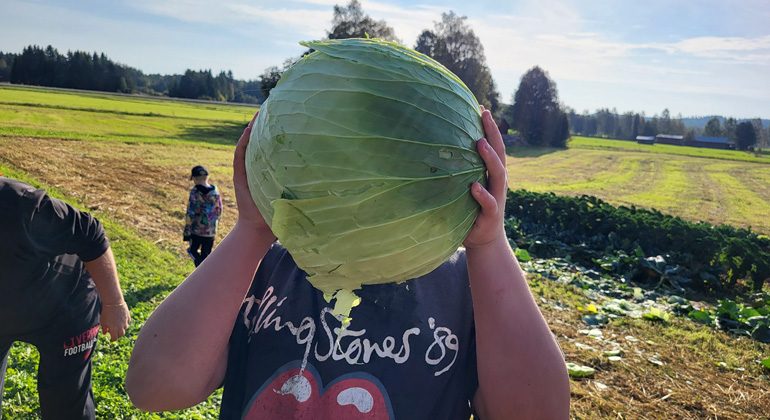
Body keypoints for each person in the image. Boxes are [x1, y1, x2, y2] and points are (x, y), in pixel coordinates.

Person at [126, 110, 570, 419]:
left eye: (394, 163)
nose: (363, 183)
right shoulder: (266, 270)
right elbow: (154, 387)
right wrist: (252, 230)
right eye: (338, 157)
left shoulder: (466, 289)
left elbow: (538, 413)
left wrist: (490, 245)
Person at [0, 178, 131, 420]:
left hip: (67, 308)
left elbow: (90, 233)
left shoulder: (19, 205)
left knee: (65, 406)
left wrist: (114, 303)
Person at [184, 165, 223, 267]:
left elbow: (191, 212)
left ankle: (200, 269)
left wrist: (187, 231)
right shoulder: (215, 191)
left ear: (195, 178)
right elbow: (219, 210)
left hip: (197, 230)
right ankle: (205, 273)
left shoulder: (195, 192)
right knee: (206, 255)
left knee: (192, 251)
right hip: (211, 231)